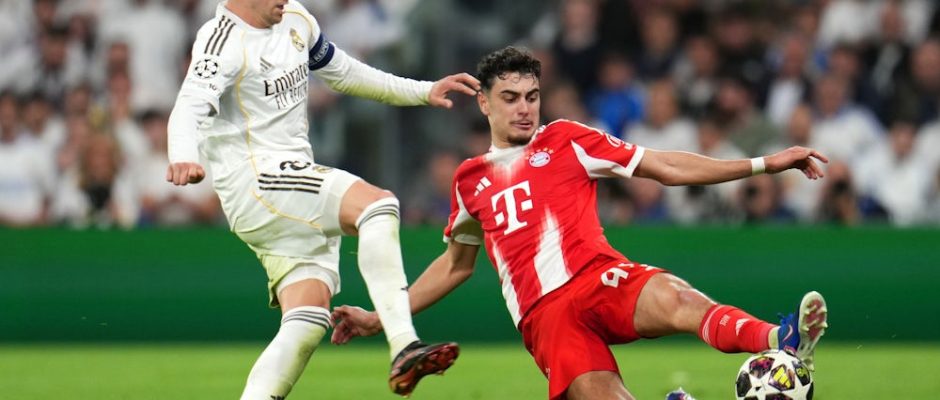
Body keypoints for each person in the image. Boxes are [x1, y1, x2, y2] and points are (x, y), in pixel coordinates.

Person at [330, 46, 830, 400]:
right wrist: (383, 318)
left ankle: (780, 340)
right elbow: (456, 265)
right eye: (510, 98)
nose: (524, 108)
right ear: (484, 103)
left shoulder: (567, 139)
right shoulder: (468, 181)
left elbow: (666, 167)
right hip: (547, 317)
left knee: (680, 299)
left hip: (599, 276)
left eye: (532, 96)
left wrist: (764, 163)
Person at [165, 1, 480, 398]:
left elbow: (344, 73)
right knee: (378, 206)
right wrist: (183, 155)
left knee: (307, 319)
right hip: (256, 181)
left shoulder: (295, 17)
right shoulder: (220, 39)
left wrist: (421, 91)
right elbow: (188, 106)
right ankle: (404, 344)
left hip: (290, 185)